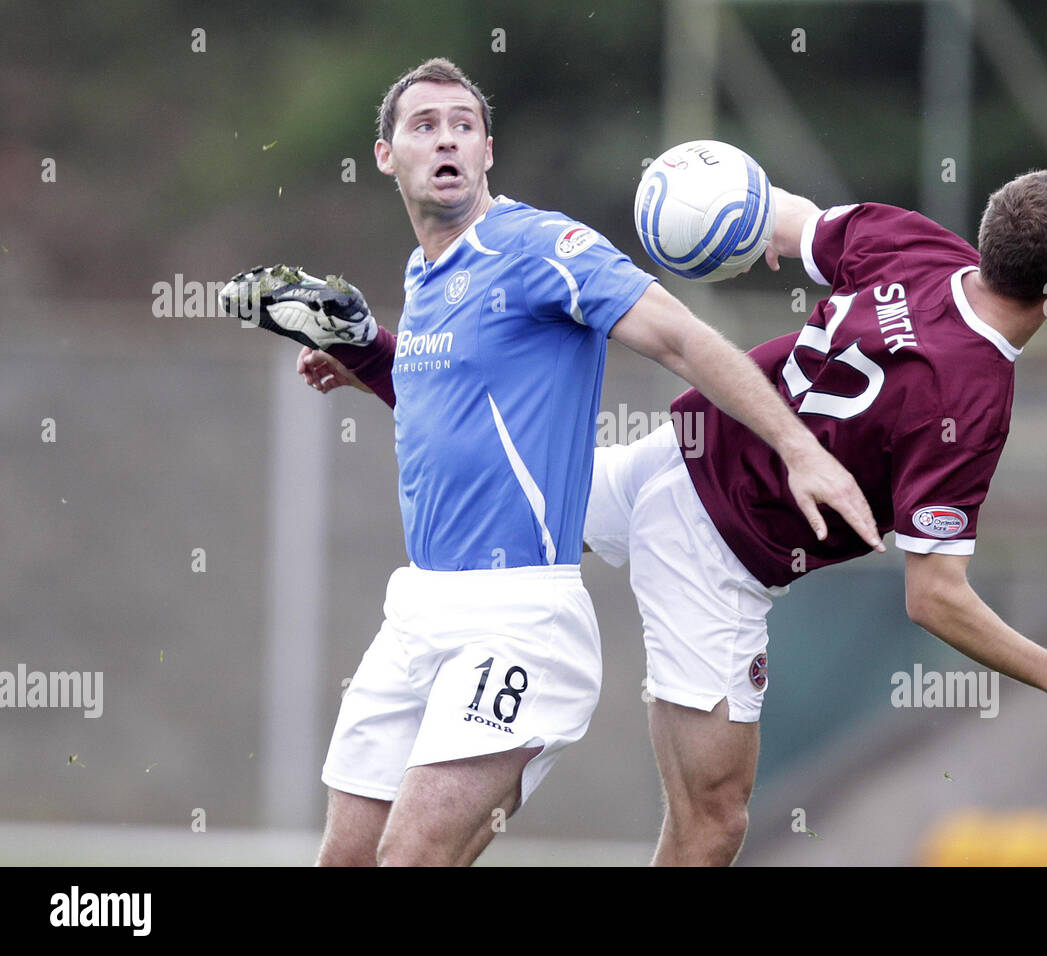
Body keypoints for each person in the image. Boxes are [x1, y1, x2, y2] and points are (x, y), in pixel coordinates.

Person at [299, 168, 1047, 866]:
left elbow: (776, 220)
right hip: (720, 554)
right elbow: (934, 598)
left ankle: (381, 356)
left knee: (517, 470)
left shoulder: (914, 241)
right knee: (713, 825)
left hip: (667, 455)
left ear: (984, 234)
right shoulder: (975, 401)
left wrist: (708, 189)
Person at [220, 57, 881, 867]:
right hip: (419, 607)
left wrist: (797, 446)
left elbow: (679, 335)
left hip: (519, 619)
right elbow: (457, 404)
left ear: (488, 150)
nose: (447, 139)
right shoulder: (426, 273)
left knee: (409, 862)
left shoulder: (541, 247)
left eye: (463, 124)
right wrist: (365, 354)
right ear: (387, 155)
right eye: (424, 126)